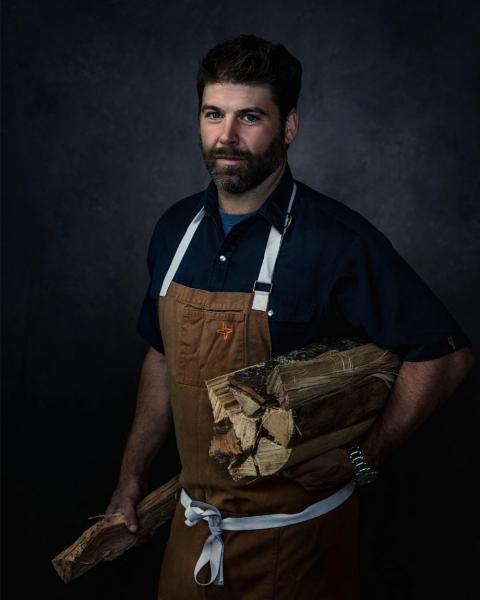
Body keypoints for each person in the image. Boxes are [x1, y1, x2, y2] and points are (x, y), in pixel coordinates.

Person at [105, 34, 474, 599]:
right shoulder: (174, 230)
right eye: (213, 114)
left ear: (290, 126)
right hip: (190, 538)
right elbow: (161, 355)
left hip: (297, 548)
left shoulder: (338, 242)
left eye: (250, 116)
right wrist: (132, 476)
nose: (226, 137)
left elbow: (444, 355)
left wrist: (362, 456)